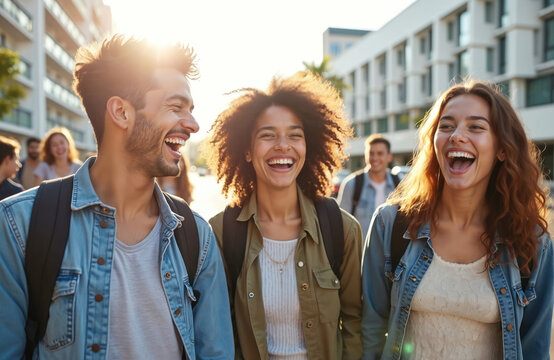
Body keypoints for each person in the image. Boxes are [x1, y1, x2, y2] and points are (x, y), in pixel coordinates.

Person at [0, 34, 233, 359]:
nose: (193, 124)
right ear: (121, 112)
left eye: (190, 110)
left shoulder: (197, 237)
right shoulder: (17, 227)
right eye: (176, 107)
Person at [362, 80, 553, 359]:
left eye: (476, 127)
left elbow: (535, 350)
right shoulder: (390, 225)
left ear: (502, 149)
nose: (457, 136)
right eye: (447, 125)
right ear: (433, 143)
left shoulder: (533, 243)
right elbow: (371, 333)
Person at [208, 72, 363, 359]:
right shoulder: (220, 233)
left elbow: (354, 323)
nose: (283, 145)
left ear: (308, 147)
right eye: (268, 135)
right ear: (247, 151)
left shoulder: (341, 229)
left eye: (295, 135)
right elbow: (218, 331)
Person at [337, 134, 398, 240]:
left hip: (391, 254)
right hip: (360, 253)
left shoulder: (400, 185)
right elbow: (340, 223)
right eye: (371, 153)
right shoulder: (352, 184)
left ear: (389, 157)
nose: (374, 158)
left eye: (380, 154)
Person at [0, 135, 23, 200]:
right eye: (16, 160)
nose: (19, 165)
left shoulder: (15, 191)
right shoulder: (15, 193)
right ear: (7, 159)